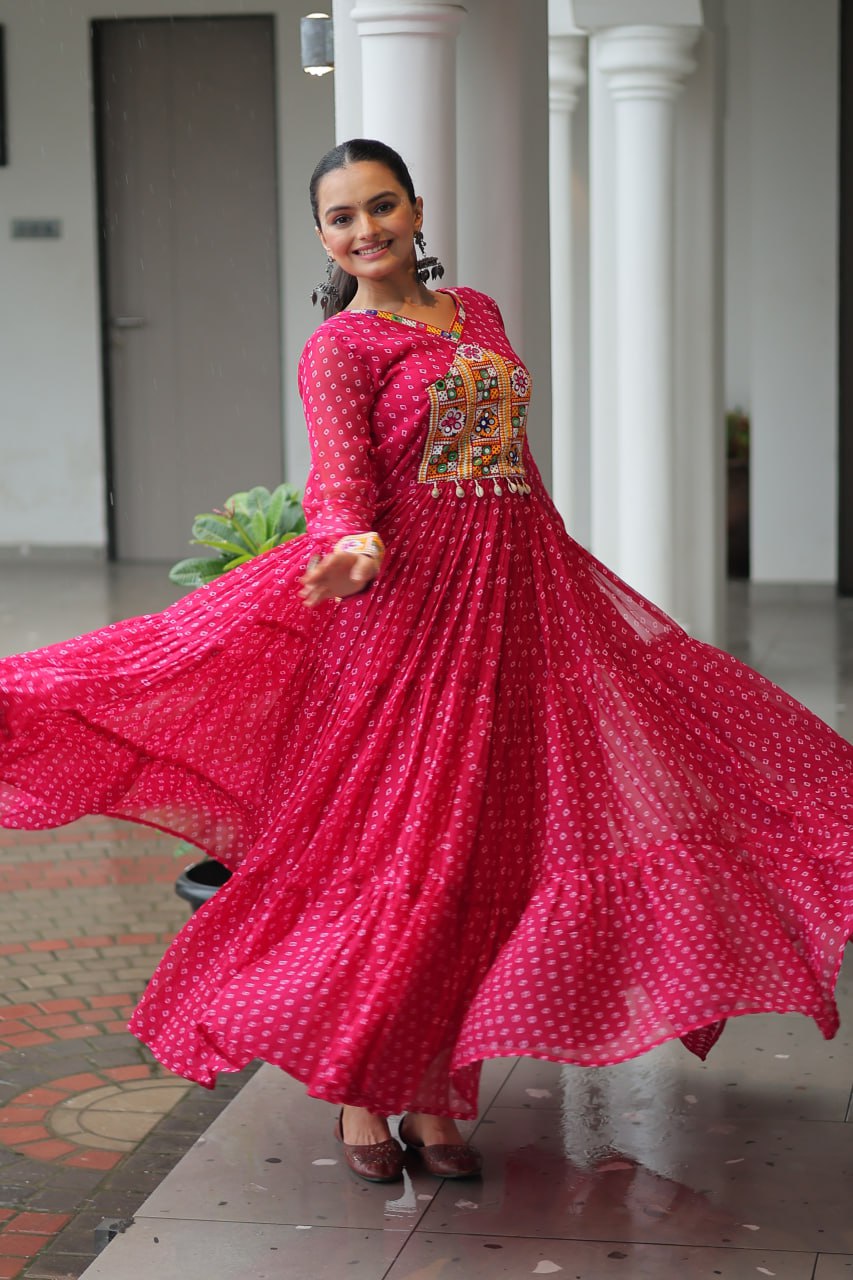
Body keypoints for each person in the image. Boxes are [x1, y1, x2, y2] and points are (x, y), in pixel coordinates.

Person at [1, 138, 853, 1187]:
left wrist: (562, 576)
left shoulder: (477, 315)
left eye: (380, 205)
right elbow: (340, 485)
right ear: (322, 236)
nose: (365, 230)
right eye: (341, 216)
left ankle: (439, 1089)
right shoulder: (340, 351)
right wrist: (352, 548)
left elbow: (514, 465)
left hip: (514, 601)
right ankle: (367, 1093)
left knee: (490, 851)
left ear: (414, 210)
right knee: (407, 855)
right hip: (408, 621)